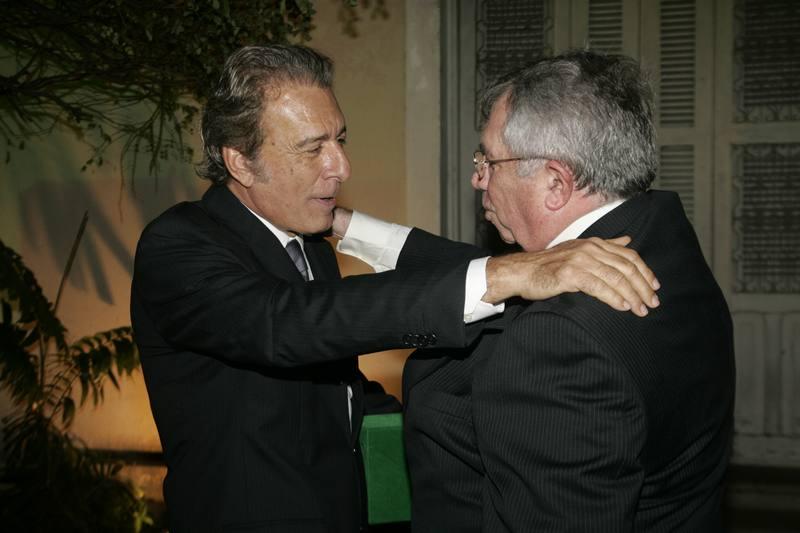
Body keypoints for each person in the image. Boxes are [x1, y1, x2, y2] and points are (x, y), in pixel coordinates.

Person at [130, 45, 659, 532]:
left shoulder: (308, 243)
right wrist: (509, 274)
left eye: (339, 140)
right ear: (240, 161)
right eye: (313, 149)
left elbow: (327, 379)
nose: (341, 167)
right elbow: (285, 323)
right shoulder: (179, 244)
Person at [399, 50, 735, 531]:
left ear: (556, 184)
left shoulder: (559, 340)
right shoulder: (665, 240)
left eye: (489, 160)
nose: (478, 178)